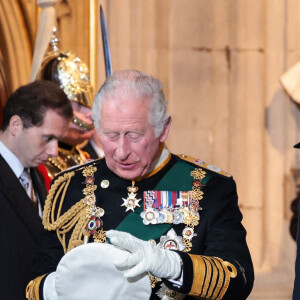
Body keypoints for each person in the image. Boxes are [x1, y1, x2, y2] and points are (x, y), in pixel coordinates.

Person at [26, 70, 254, 300]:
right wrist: (57, 288)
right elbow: (34, 283)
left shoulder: (209, 187)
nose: (122, 151)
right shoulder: (71, 186)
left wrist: (175, 266)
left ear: (163, 128)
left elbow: (239, 279)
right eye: (110, 135)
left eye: (134, 135)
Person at [0, 80, 73, 300]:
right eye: (47, 138)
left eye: (58, 140)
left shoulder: (37, 176)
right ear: (16, 125)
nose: (54, 151)